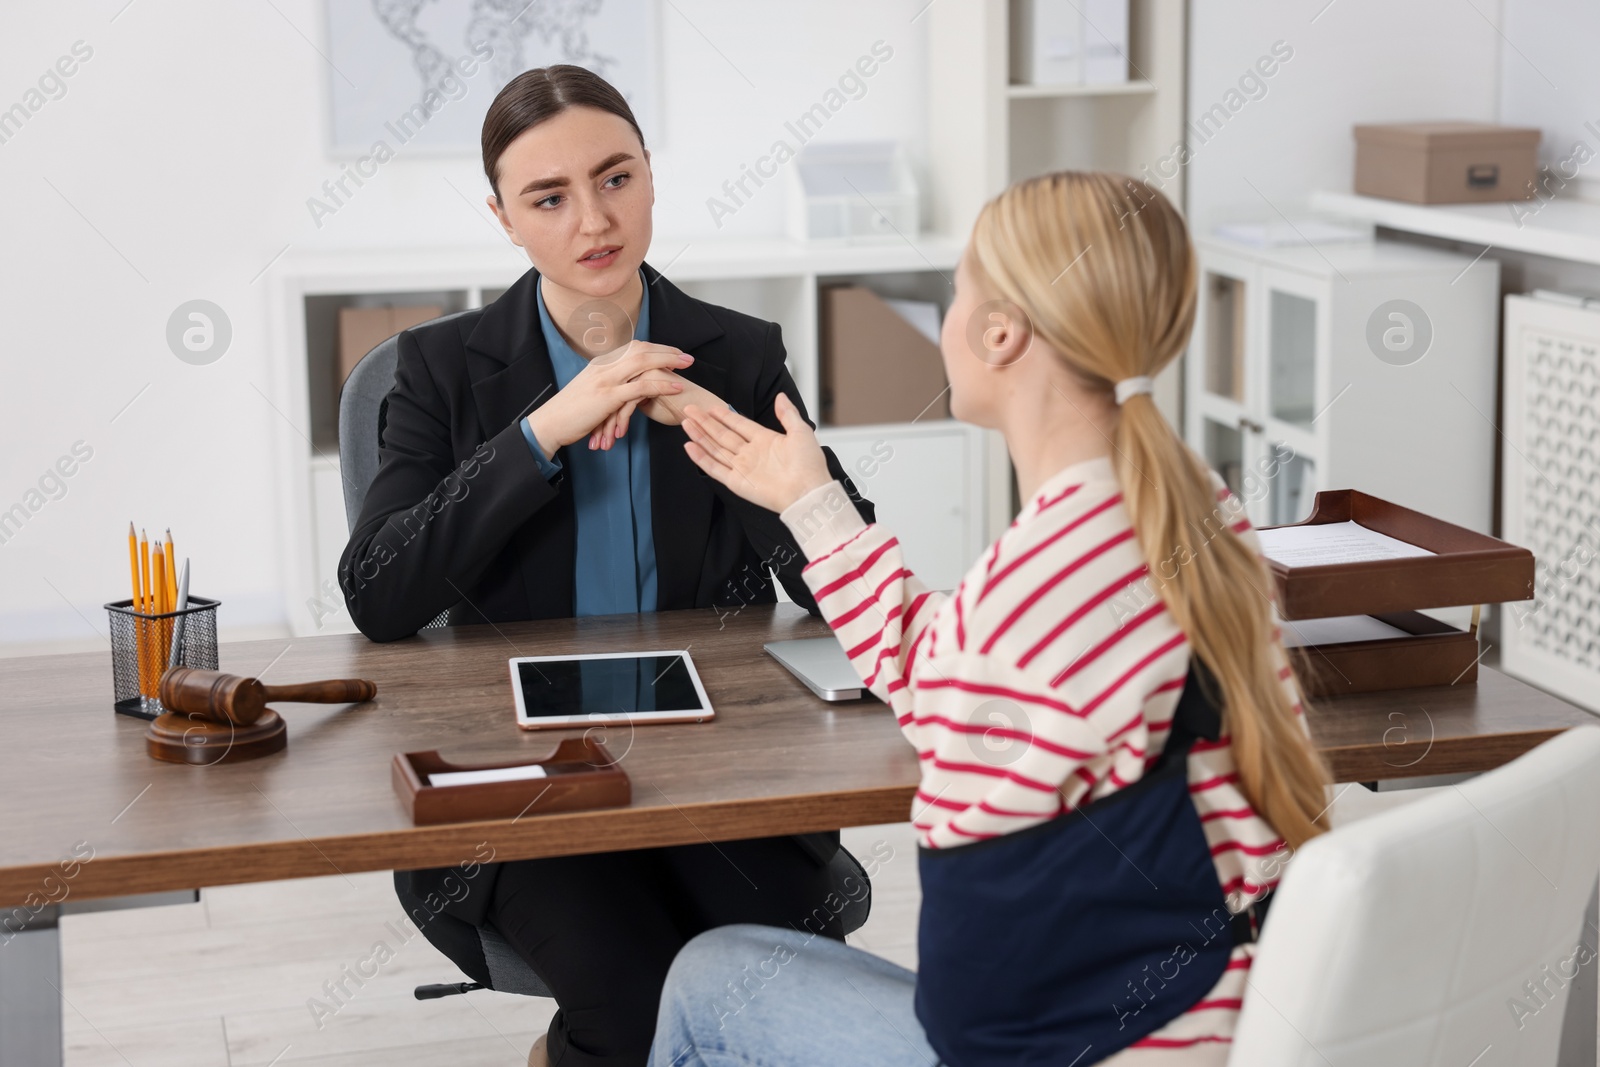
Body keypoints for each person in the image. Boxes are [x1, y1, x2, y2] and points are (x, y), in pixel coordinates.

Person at [647, 171, 1335, 1066]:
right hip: (1218, 1005)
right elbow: (942, 663)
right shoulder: (1191, 506)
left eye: (957, 290)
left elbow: (951, 689)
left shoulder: (1045, 578)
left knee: (709, 979)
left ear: (1001, 331)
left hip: (1095, 1043)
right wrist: (808, 498)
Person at [337, 66, 876, 1067]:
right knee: (631, 1012)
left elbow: (834, 578)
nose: (594, 218)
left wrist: (726, 433)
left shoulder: (735, 352)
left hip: (718, 765)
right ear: (504, 218)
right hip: (524, 781)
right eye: (549, 197)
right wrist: (544, 427)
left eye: (615, 177)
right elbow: (379, 592)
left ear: (650, 179)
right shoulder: (440, 368)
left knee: (778, 994)